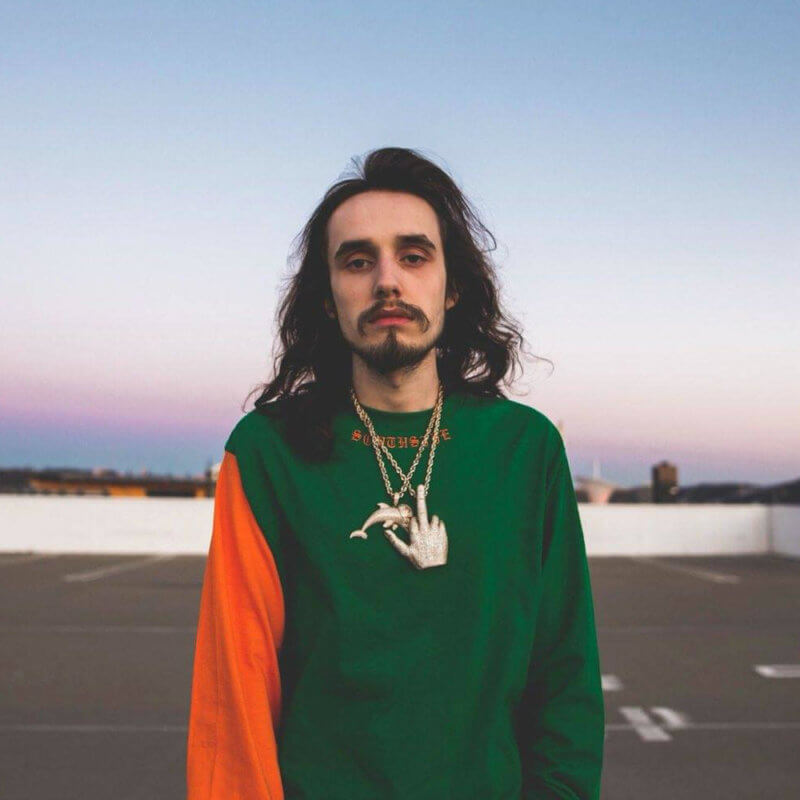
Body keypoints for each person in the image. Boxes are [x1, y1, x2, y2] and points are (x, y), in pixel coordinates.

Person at [186, 146, 605, 799]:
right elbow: (233, 700)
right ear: (327, 298)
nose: (388, 280)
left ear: (452, 285)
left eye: (414, 256)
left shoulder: (526, 450)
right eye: (357, 261)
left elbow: (565, 677)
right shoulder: (267, 452)